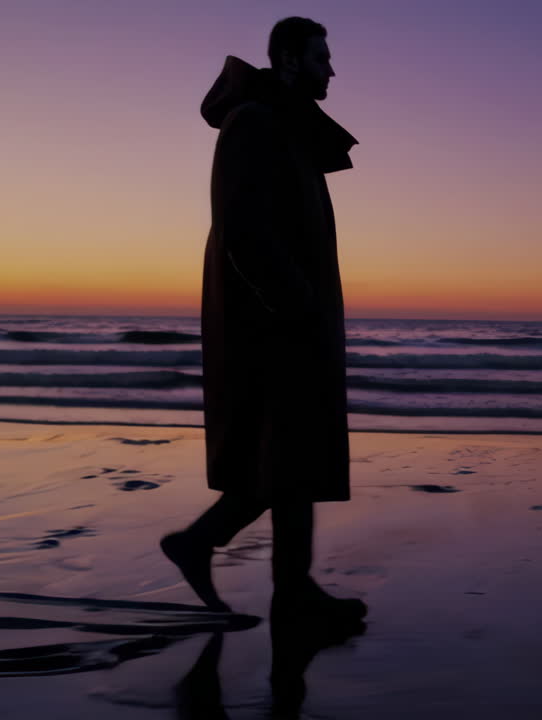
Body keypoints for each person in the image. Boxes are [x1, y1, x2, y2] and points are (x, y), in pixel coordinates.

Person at [161, 17, 365, 628]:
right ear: (289, 59)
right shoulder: (253, 122)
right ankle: (259, 575)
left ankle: (274, 581)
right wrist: (294, 305)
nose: (332, 70)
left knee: (291, 456)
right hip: (273, 323)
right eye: (322, 58)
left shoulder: (287, 126)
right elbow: (241, 227)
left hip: (291, 318)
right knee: (286, 454)